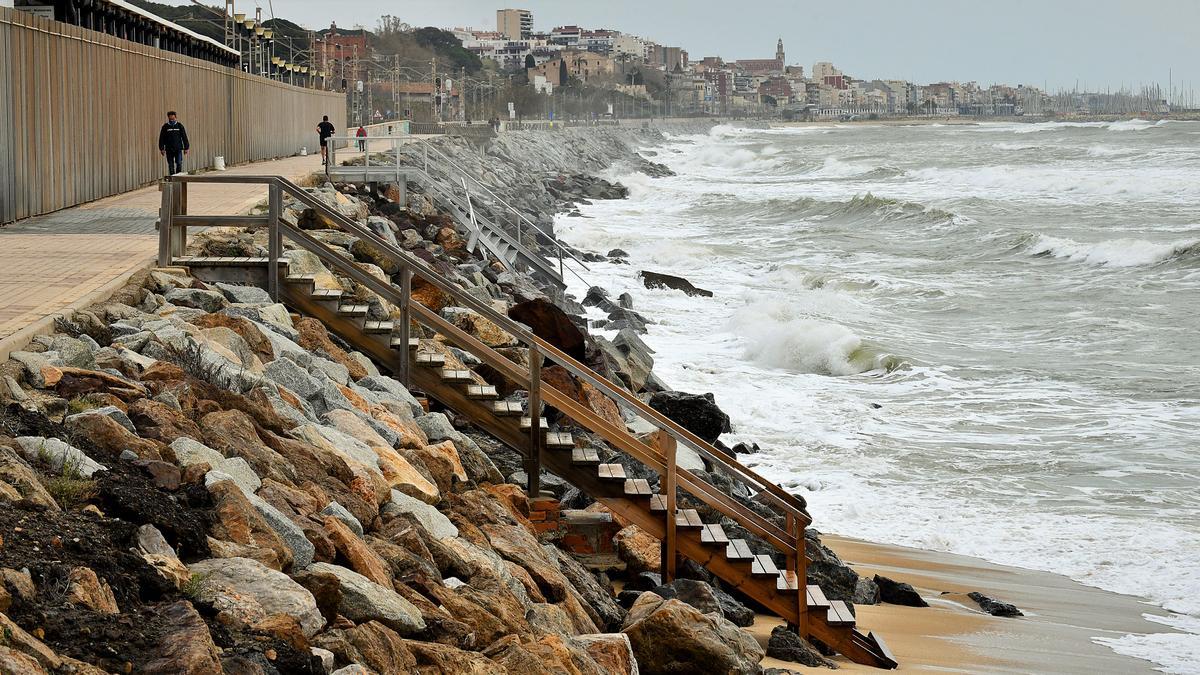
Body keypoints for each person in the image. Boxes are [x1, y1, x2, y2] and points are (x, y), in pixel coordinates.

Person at [157, 111, 189, 176]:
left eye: (173, 119)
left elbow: (184, 137)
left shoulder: (180, 126)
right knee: (170, 164)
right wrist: (161, 148)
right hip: (169, 149)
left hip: (178, 148)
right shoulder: (165, 127)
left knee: (179, 163)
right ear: (168, 118)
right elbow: (161, 138)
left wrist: (186, 147)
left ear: (176, 117)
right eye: (170, 119)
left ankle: (178, 177)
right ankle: (172, 178)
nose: (172, 120)